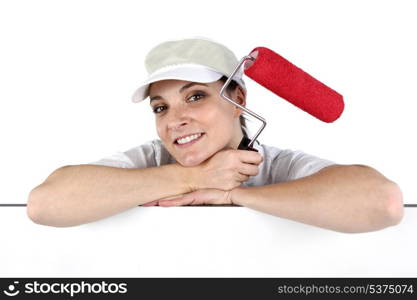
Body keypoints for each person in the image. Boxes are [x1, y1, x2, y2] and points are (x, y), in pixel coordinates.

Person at [27, 37, 404, 232]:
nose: (175, 120)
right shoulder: (148, 161)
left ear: (237, 98)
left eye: (195, 96)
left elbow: (381, 202)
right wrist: (193, 178)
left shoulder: (278, 167)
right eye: (161, 107)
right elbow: (45, 204)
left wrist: (233, 195)